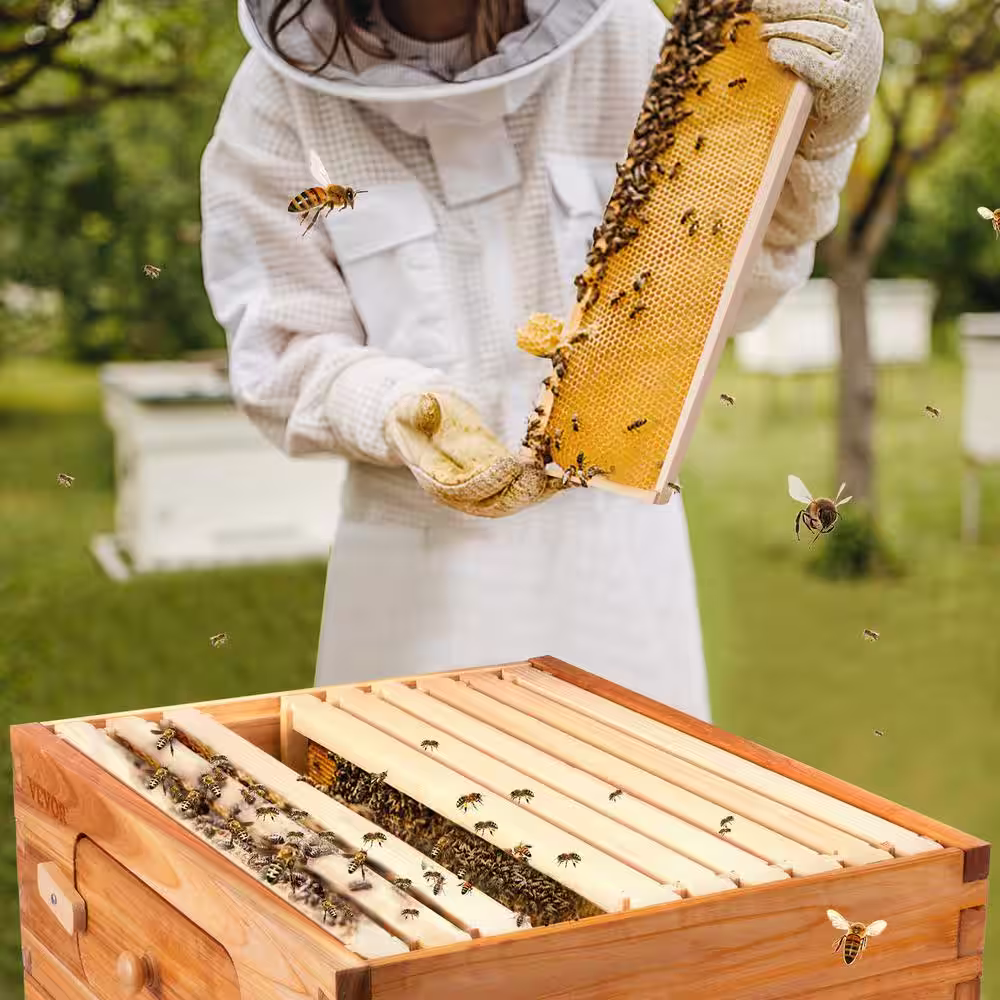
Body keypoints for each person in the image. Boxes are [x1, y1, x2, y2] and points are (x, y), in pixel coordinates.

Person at [201, 0, 882, 718]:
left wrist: (818, 144)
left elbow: (732, 295)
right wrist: (392, 406)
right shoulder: (277, 102)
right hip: (411, 580)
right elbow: (280, 353)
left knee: (637, 812)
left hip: (617, 560)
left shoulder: (629, 41)